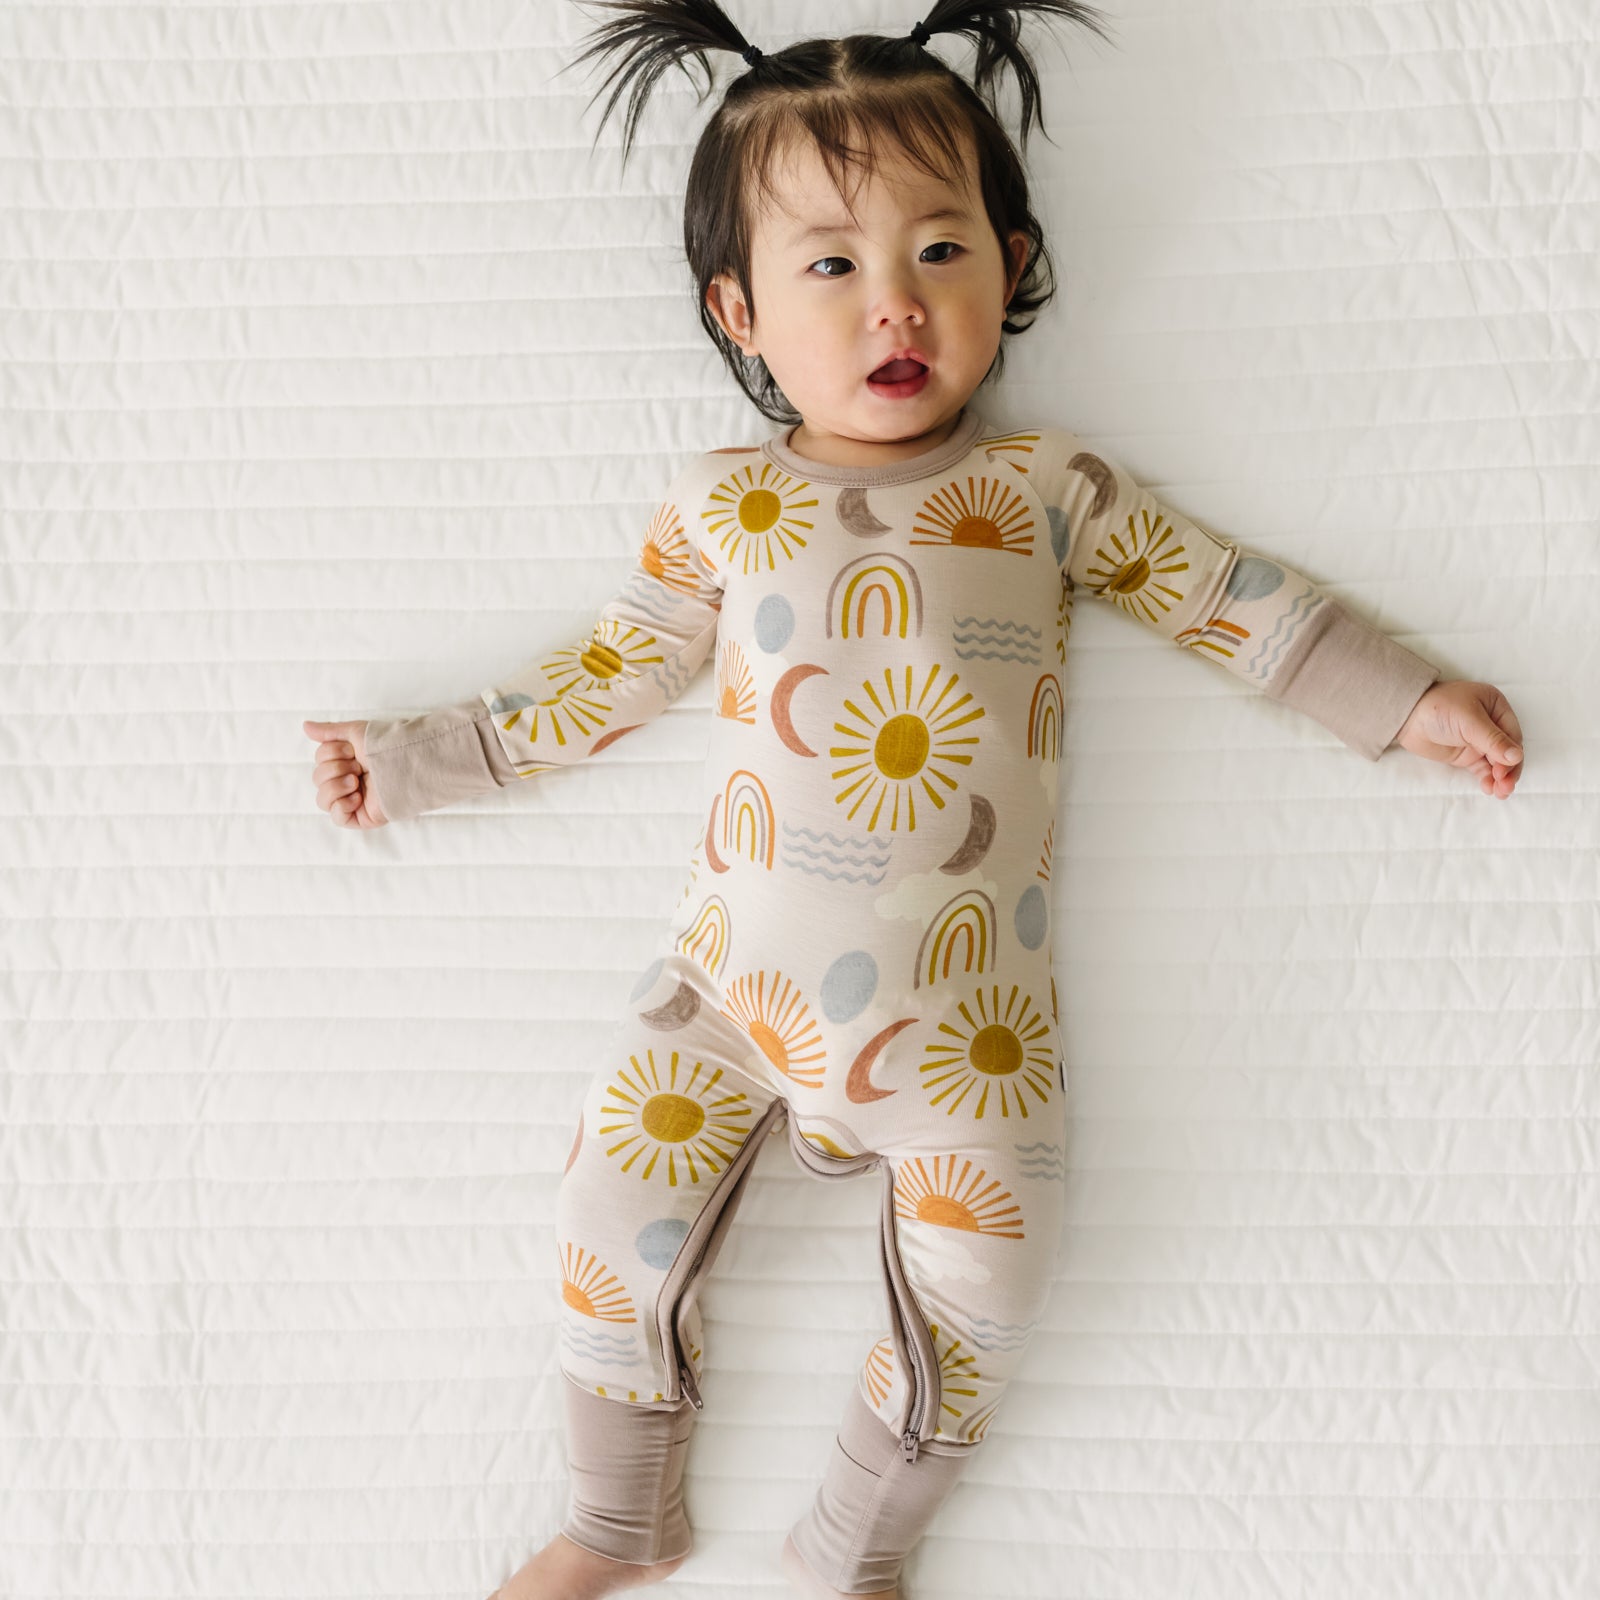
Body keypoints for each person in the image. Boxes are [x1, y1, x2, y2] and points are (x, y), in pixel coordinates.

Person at [303, 3, 1526, 1595]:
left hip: (972, 1036)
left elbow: (1222, 596)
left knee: (992, 1291)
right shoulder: (721, 505)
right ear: (736, 310)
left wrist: (1404, 698)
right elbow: (609, 676)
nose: (896, 303)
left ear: (1012, 264)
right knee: (606, 1225)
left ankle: (852, 1549)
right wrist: (414, 761)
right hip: (728, 1001)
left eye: (940, 249)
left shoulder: (1041, 492)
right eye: (831, 266)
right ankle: (616, 1521)